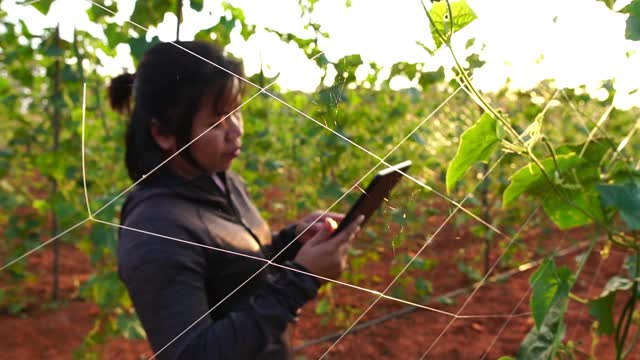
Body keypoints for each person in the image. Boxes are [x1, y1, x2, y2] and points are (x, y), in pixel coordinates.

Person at [108, 41, 364, 360]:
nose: (236, 131)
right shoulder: (154, 232)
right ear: (163, 133)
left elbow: (235, 270)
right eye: (216, 122)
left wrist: (293, 242)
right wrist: (301, 280)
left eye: (236, 111)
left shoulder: (221, 179)